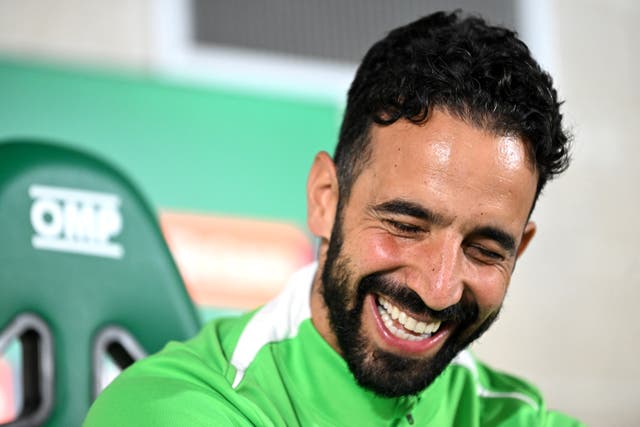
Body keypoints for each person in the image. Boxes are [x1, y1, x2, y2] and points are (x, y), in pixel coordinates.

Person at [85, 10, 583, 426]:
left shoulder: (514, 417)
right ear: (326, 198)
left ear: (518, 252)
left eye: (484, 250)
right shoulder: (174, 410)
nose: (439, 287)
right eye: (405, 226)